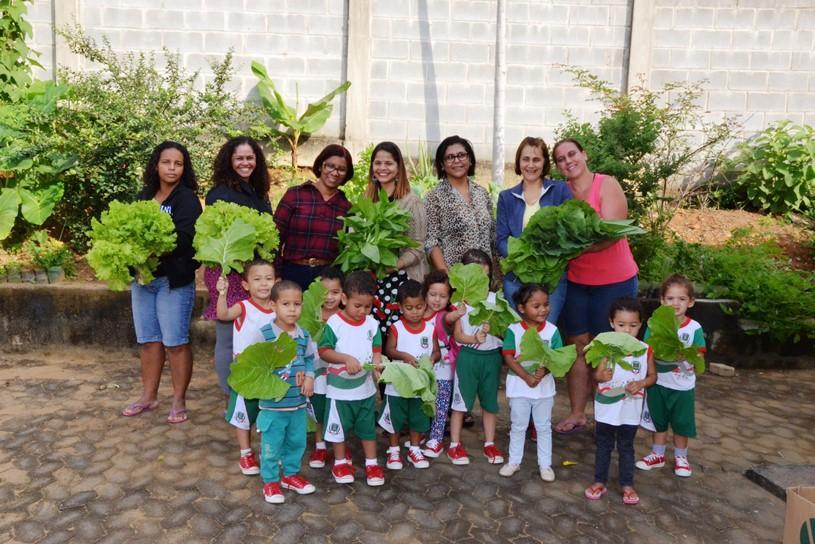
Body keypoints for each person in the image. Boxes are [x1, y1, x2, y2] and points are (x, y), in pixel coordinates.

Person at [552, 138, 639, 435]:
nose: (568, 161)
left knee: (609, 349)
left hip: (614, 282)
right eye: (561, 159)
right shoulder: (560, 194)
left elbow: (612, 233)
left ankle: (609, 417)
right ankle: (577, 414)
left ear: (584, 154)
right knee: (578, 348)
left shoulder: (606, 184)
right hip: (576, 283)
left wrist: (573, 246)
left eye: (572, 154)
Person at [122, 141, 202, 424]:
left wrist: (153, 246)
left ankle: (179, 399)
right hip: (143, 280)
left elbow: (186, 239)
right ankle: (149, 397)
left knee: (176, 343)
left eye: (178, 164)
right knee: (148, 342)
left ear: (184, 168)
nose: (172, 168)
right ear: (156, 164)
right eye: (167, 162)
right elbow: (125, 231)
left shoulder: (187, 199)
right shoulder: (143, 196)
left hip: (173, 282)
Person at [203, 136, 272, 396]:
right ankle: (230, 394)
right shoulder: (220, 194)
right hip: (228, 272)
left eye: (250, 158)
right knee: (228, 335)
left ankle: (249, 389)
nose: (245, 163)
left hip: (253, 273)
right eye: (240, 158)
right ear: (229, 161)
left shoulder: (258, 192)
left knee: (250, 331)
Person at [318, 271, 385, 486]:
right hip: (338, 392)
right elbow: (324, 351)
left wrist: (377, 366)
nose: (362, 311)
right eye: (358, 306)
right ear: (345, 299)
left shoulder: (372, 325)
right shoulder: (334, 323)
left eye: (367, 307)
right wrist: (345, 359)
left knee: (367, 429)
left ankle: (372, 464)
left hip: (365, 391)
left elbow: (376, 349)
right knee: (338, 430)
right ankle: (340, 463)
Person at [585, 298, 655, 505]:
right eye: (621, 325)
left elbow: (653, 376)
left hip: (630, 409)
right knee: (604, 445)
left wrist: (641, 383)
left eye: (633, 326)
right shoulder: (604, 347)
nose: (627, 331)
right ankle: (599, 481)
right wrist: (601, 376)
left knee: (626, 446)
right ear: (611, 323)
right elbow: (596, 376)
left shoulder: (644, 350)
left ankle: (627, 484)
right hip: (607, 408)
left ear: (641, 325)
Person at [636, 275, 705, 478]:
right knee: (658, 420)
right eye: (670, 298)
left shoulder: (694, 328)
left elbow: (700, 353)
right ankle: (657, 454)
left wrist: (688, 355)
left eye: (682, 299)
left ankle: (681, 457)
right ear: (662, 301)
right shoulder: (654, 325)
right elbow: (649, 349)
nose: (676, 303)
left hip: (683, 386)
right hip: (658, 382)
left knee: (681, 422)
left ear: (690, 302)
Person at [255, 280, 317, 504]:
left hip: (298, 405)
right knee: (271, 446)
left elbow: (310, 359)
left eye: (297, 304)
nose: (292, 309)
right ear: (273, 305)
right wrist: (275, 379)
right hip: (273, 407)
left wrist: (309, 377)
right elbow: (256, 367)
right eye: (286, 304)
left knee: (297, 442)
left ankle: (290, 476)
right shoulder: (264, 335)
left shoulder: (304, 336)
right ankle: (270, 482)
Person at [496, 137, 572, 319]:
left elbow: (568, 234)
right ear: (518, 162)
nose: (531, 165)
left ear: (545, 162)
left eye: (536, 159)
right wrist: (526, 260)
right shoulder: (506, 197)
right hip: (517, 279)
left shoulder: (560, 191)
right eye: (526, 159)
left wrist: (543, 260)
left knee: (546, 334)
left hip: (551, 280)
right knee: (519, 336)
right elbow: (501, 240)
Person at [216, 259, 276, 476]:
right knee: (243, 416)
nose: (263, 284)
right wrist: (222, 293)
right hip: (246, 374)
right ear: (245, 285)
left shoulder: (280, 309)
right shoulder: (243, 307)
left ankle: (269, 452)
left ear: (276, 282)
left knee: (270, 414)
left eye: (268, 279)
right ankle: (246, 454)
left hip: (271, 373)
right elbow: (223, 315)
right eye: (257, 279)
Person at [366, 141, 429, 340]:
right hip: (374, 280)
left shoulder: (412, 202)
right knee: (374, 338)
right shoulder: (367, 199)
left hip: (402, 280)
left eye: (389, 163)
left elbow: (418, 246)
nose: (382, 168)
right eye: (378, 163)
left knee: (397, 339)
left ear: (398, 168)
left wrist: (396, 264)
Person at [500, 284, 563, 482]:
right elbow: (508, 357)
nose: (543, 309)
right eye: (536, 306)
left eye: (546, 305)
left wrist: (544, 371)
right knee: (518, 425)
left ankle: (545, 465)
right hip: (519, 388)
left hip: (544, 390)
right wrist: (527, 377)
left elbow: (559, 358)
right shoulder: (513, 330)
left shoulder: (552, 331)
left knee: (544, 427)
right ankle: (514, 461)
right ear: (521, 308)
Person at [448, 249, 505, 466]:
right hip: (469, 358)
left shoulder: (495, 300)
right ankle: (454, 444)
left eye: (486, 276)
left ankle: (490, 443)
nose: (482, 281)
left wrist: (495, 330)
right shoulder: (460, 304)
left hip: (492, 358)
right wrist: (476, 337)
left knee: (490, 402)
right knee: (461, 402)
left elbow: (504, 331)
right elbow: (459, 336)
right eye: (476, 277)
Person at [274, 144, 353, 290]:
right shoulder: (295, 195)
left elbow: (347, 250)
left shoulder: (347, 207)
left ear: (346, 174)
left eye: (341, 169)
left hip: (327, 278)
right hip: (292, 273)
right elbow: (275, 238)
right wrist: (276, 274)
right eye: (330, 166)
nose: (335, 173)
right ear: (320, 166)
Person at [381, 279, 440, 470]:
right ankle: (394, 450)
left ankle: (415, 449)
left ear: (425, 305)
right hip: (397, 385)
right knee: (395, 418)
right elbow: (389, 350)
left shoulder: (431, 329)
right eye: (409, 307)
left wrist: (431, 359)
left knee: (418, 417)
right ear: (400, 307)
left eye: (419, 307)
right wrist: (404, 356)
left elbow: (437, 351)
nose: (414, 311)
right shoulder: (396, 328)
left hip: (419, 385)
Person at [425, 135, 495, 271]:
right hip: (455, 279)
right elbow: (431, 242)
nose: (456, 160)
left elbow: (492, 236)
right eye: (450, 157)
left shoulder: (482, 193)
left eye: (461, 155)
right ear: (442, 165)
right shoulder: (435, 197)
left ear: (470, 160)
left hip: (485, 279)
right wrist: (447, 278)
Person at [421, 271, 465, 458]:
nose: (437, 300)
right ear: (425, 294)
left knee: (440, 406)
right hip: (424, 368)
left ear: (449, 298)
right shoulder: (419, 313)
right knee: (425, 403)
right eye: (433, 294)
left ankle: (437, 440)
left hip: (444, 370)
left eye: (443, 296)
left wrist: (458, 313)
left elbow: (450, 319)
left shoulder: (447, 316)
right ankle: (425, 434)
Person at [307, 266, 344, 469]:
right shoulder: (310, 315)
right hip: (316, 371)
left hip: (339, 373)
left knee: (339, 409)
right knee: (319, 409)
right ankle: (320, 446)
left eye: (335, 292)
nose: (329, 297)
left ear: (343, 294)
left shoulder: (344, 317)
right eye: (324, 293)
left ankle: (341, 445)